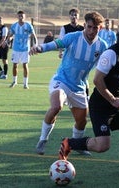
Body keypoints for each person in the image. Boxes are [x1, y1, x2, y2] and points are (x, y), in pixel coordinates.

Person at [59, 20, 119, 175]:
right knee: (102, 146)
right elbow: (97, 80)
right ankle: (69, 143)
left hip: (117, 101)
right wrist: (111, 99)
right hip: (101, 103)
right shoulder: (111, 54)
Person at [30, 11, 107, 156]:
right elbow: (56, 43)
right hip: (62, 80)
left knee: (81, 121)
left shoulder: (102, 46)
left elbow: (104, 67)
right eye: (89, 27)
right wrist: (40, 48)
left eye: (95, 28)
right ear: (84, 25)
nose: (91, 31)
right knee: (56, 106)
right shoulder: (73, 37)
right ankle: (43, 140)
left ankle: (77, 145)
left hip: (79, 87)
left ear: (100, 28)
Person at [8, 10, 38, 89]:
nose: (21, 17)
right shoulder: (14, 26)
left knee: (25, 65)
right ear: (17, 17)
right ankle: (14, 81)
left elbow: (33, 35)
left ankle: (25, 83)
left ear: (24, 17)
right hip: (16, 48)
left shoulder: (28, 25)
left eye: (22, 16)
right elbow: (11, 35)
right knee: (15, 65)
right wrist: (8, 39)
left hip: (25, 49)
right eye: (19, 16)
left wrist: (35, 45)